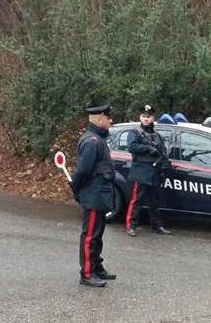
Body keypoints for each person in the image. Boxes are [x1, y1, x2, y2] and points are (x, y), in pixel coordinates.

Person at [70, 103, 117, 287]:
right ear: (99, 119)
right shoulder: (92, 142)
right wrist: (77, 189)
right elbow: (82, 172)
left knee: (97, 235)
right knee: (90, 236)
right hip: (93, 195)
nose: (110, 120)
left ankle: (97, 267)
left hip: (100, 195)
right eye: (108, 117)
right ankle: (87, 273)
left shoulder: (98, 139)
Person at [125, 104, 172, 237]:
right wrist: (148, 148)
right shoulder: (135, 132)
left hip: (155, 171)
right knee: (136, 200)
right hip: (141, 170)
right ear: (140, 117)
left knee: (154, 201)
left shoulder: (157, 135)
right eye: (144, 116)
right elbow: (132, 147)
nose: (146, 119)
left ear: (153, 118)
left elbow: (163, 151)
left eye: (148, 117)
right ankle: (131, 226)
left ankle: (156, 226)